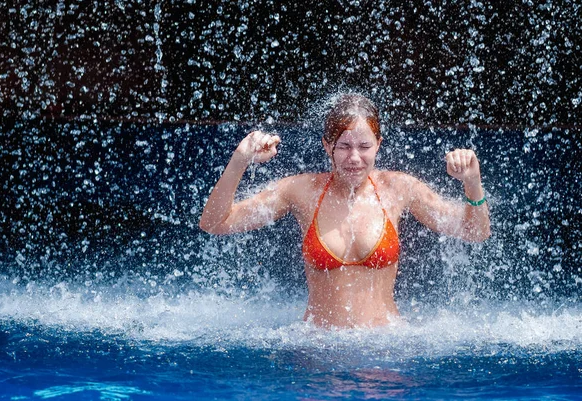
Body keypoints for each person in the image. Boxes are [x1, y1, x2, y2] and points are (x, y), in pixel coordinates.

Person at [199, 94, 490, 329]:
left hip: (385, 347)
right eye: (343, 146)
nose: (354, 158)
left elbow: (475, 232)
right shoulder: (301, 191)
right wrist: (240, 160)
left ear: (378, 145)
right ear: (327, 146)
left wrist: (472, 182)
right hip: (318, 348)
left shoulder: (398, 189)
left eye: (364, 146)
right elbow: (215, 223)